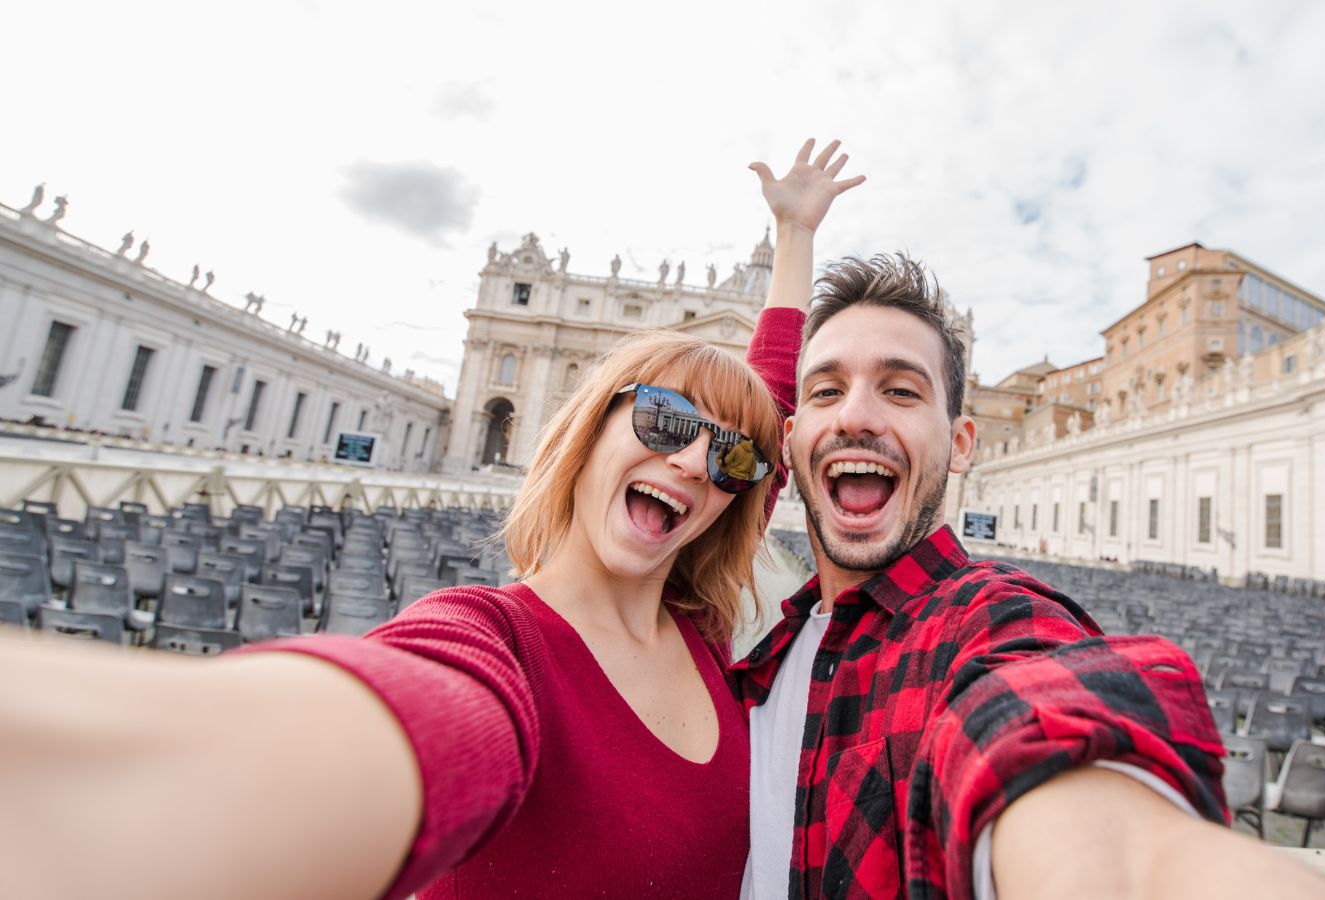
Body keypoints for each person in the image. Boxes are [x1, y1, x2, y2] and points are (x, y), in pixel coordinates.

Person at [0, 139, 862, 900]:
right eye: (665, 423)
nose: (693, 463)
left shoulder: (702, 626)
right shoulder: (489, 645)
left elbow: (765, 408)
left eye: (729, 459)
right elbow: (390, 730)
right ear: (587, 427)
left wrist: (794, 237)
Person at [730, 248, 1325, 898]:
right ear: (789, 440)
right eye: (826, 391)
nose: (855, 415)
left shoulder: (996, 624)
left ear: (961, 444)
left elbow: (1056, 749)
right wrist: (795, 233)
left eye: (901, 390)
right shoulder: (766, 653)